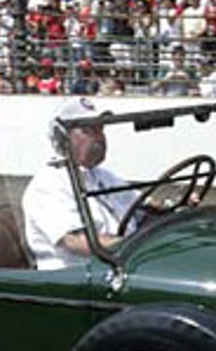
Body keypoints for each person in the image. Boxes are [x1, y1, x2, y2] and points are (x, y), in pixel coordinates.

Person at [22, 98, 140, 269]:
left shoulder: (105, 177)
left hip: (122, 266)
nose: (99, 138)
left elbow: (142, 206)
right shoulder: (48, 184)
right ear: (63, 137)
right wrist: (137, 247)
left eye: (100, 129)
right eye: (88, 131)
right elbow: (75, 242)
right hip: (79, 277)